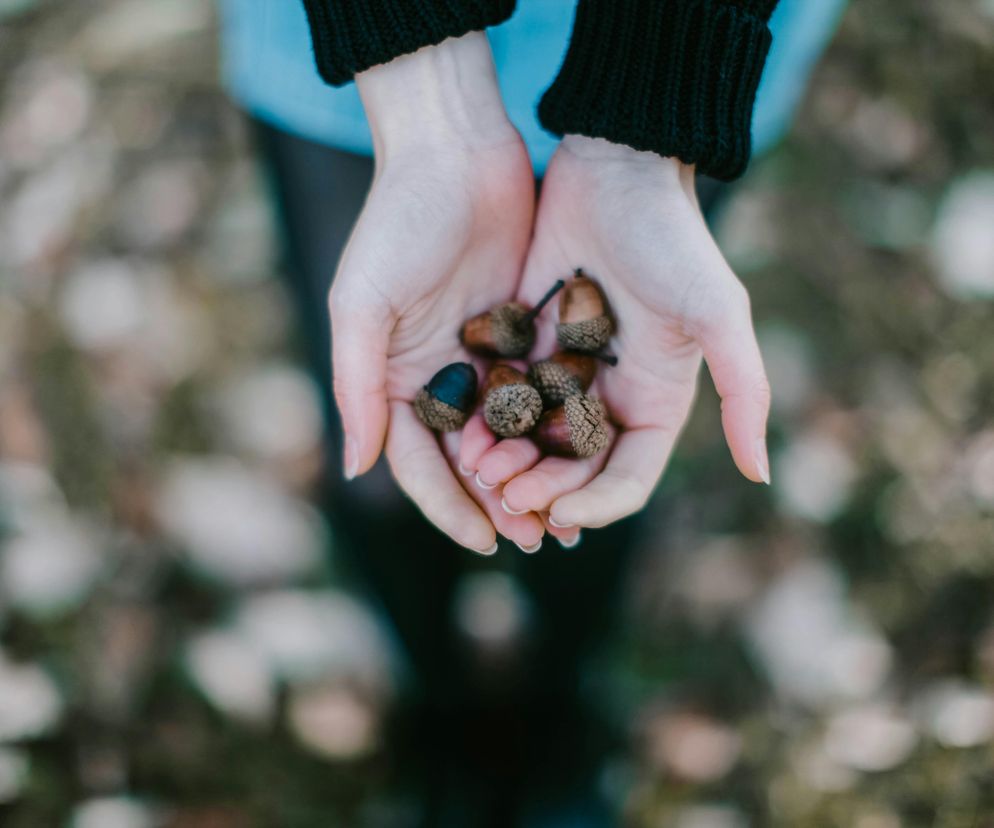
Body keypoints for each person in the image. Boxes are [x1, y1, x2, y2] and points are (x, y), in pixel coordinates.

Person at [217, 1, 847, 824]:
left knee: (587, 492)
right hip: (355, 42)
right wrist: (425, 94)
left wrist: (646, 130)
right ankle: (439, 703)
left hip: (690, 45)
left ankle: (559, 705)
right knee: (375, 456)